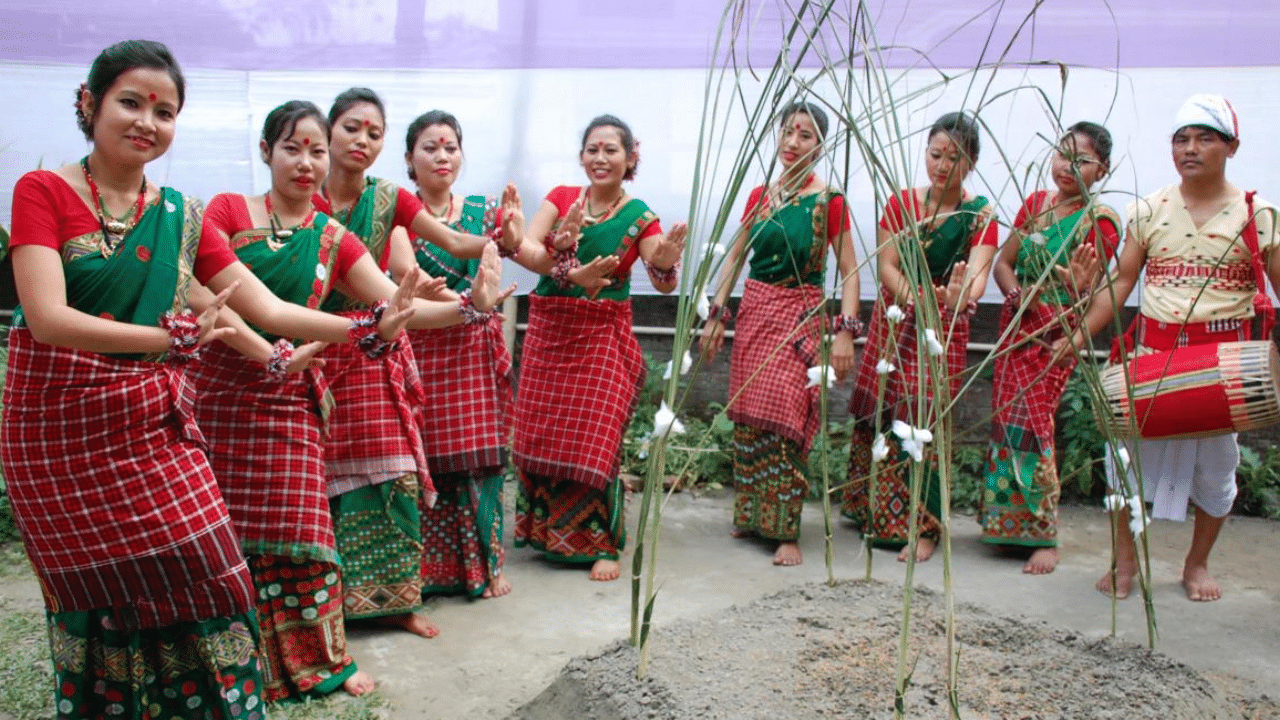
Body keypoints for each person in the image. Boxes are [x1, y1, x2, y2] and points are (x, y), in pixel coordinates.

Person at [190, 99, 509, 701]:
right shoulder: (227, 211)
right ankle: (236, 657)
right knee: (223, 533)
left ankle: (318, 661)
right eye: (294, 147)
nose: (306, 162)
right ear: (266, 151)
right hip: (223, 397)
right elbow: (240, 302)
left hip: (294, 395)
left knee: (303, 525)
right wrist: (366, 327)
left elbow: (396, 304)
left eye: (314, 150)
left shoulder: (333, 235)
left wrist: (472, 306)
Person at [1054, 95, 1279, 602]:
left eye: (1204, 138)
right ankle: (1126, 561)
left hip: (1221, 371)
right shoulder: (1149, 209)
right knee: (1124, 462)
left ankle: (1195, 565)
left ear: (1232, 146)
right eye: (1181, 139)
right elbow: (1121, 283)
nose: (1190, 149)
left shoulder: (1257, 214)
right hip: (1152, 361)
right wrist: (1075, 338)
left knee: (1219, 472)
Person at [312, 88, 518, 633]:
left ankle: (398, 600)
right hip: (312, 346)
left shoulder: (386, 199)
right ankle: (329, 602)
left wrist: (499, 241)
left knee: (396, 472)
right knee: (322, 478)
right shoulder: (300, 194)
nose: (361, 140)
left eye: (373, 132)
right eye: (351, 128)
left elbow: (450, 240)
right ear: (327, 132)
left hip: (379, 346)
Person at [509, 114, 686, 581]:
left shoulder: (640, 215)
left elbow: (660, 276)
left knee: (597, 434)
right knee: (545, 431)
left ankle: (605, 541)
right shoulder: (561, 198)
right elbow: (526, 251)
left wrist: (666, 266)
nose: (600, 158)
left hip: (601, 334)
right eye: (592, 149)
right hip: (553, 330)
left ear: (631, 158)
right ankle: (546, 533)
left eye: (611, 150)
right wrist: (566, 265)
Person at [699, 101, 861, 567]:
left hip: (799, 316)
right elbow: (735, 257)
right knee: (750, 414)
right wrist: (716, 315)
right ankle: (753, 514)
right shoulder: (759, 196)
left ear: (820, 145)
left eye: (805, 135)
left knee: (789, 415)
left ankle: (785, 528)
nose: (792, 143)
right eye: (788, 132)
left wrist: (845, 333)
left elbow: (850, 271)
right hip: (756, 312)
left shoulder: (829, 200)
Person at [844, 111, 998, 562]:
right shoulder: (901, 203)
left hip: (944, 327)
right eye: (935, 154)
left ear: (971, 162)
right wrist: (918, 297)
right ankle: (872, 509)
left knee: (926, 419)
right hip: (896, 319)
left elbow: (978, 278)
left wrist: (950, 298)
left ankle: (925, 526)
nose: (941, 165)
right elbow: (887, 266)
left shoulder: (979, 214)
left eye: (954, 158)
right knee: (882, 407)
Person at [979, 122, 1121, 574]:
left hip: (1056, 336)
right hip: (1016, 326)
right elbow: (1004, 262)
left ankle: (1044, 533)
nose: (1068, 167)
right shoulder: (1035, 206)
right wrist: (1017, 293)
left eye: (1082, 160)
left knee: (1036, 426)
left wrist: (1076, 291)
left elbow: (1094, 292)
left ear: (1103, 170)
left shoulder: (1101, 222)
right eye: (1063, 155)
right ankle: (1005, 524)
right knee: (1007, 424)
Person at [394, 109, 515, 598]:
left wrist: (513, 234)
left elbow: (514, 251)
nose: (442, 156)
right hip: (421, 343)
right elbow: (403, 277)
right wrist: (462, 303)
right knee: (425, 455)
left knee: (479, 459)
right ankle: (429, 569)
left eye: (450, 147)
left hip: (472, 352)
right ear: (409, 158)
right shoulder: (398, 215)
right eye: (430, 147)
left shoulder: (484, 213)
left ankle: (487, 566)